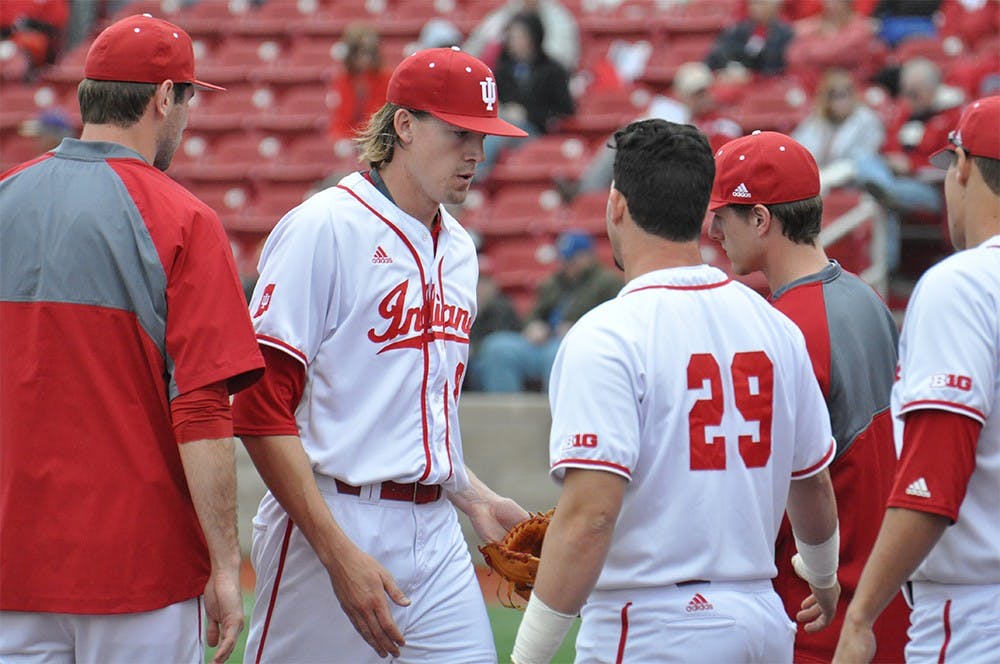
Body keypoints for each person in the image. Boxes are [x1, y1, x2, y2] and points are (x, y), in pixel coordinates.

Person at [231, 47, 531, 663]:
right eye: (460, 134)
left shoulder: (460, 251)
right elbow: (259, 409)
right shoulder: (323, 228)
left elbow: (413, 412)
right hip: (331, 516)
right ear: (404, 126)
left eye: (484, 136)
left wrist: (475, 499)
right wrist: (338, 553)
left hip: (437, 530)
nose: (477, 153)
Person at [511, 119, 841, 663]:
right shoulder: (774, 324)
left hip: (654, 625)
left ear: (616, 203)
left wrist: (529, 655)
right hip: (760, 617)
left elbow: (592, 517)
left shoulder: (606, 334)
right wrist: (823, 576)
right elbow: (813, 485)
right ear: (703, 213)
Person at [0, 14, 264, 664]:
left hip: (13, 562)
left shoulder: (5, 198)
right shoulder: (186, 220)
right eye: (187, 98)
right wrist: (227, 567)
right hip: (140, 571)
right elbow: (203, 412)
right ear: (164, 98)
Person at [707, 130, 909, 662]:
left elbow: (768, 499)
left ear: (760, 219)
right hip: (886, 598)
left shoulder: (782, 328)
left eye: (724, 216)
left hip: (819, 611)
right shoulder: (867, 298)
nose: (714, 231)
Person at [834, 95, 1000, 663]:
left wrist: (861, 614)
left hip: (978, 612)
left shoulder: (966, 284)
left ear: (964, 168)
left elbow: (934, 479)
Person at [566, 61, 742, 201]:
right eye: (695, 93)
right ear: (681, 94)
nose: (700, 98)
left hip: (688, 175)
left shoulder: (721, 121)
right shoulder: (674, 112)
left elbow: (720, 158)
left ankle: (584, 193)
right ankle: (585, 196)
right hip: (660, 169)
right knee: (622, 140)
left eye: (703, 92)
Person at [474, 231, 622, 392]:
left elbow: (614, 323)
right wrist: (533, 326)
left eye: (572, 260)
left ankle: (555, 416)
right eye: (564, 259)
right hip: (542, 342)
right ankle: (507, 414)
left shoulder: (608, 283)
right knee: (498, 347)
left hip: (575, 344)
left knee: (559, 355)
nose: (567, 265)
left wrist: (576, 330)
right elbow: (533, 314)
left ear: (587, 257)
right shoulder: (553, 282)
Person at [853, 56, 964, 270]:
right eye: (905, 92)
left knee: (879, 197)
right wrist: (894, 162)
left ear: (933, 89)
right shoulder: (905, 110)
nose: (908, 98)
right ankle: (882, 189)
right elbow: (889, 145)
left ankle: (886, 268)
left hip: (931, 189)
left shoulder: (954, 115)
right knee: (863, 160)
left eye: (914, 93)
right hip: (895, 179)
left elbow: (952, 163)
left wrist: (911, 166)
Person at [477, 11, 574, 182]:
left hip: (536, 132)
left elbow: (565, 110)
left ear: (533, 37)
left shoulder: (553, 70)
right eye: (512, 37)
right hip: (504, 123)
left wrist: (526, 114)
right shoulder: (503, 69)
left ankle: (475, 174)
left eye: (519, 36)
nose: (513, 42)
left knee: (499, 130)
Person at [792, 68, 886, 193]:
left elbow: (865, 157)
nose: (840, 102)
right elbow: (798, 151)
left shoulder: (866, 119)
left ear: (853, 95)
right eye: (834, 96)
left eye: (844, 95)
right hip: (821, 178)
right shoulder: (816, 121)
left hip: (855, 182)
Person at [463, 0, 579, 73]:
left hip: (545, 79)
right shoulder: (505, 14)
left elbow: (562, 59)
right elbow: (475, 47)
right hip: (505, 76)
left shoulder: (558, 18)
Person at [327, 23, 391, 143]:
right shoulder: (343, 80)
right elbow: (340, 121)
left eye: (370, 52)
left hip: (376, 140)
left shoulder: (387, 78)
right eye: (359, 52)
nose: (365, 57)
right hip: (349, 141)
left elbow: (383, 119)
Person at [705, 0, 795, 81]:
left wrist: (751, 76)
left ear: (775, 7)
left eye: (760, 3)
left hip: (764, 83)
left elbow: (777, 67)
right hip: (733, 78)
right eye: (752, 4)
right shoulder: (739, 29)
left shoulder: (785, 33)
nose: (754, 8)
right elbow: (719, 52)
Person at [465, 267, 522, 390]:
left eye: (485, 283)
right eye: (478, 283)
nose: (480, 289)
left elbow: (499, 338)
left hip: (491, 359)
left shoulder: (502, 307)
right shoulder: (467, 306)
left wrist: (473, 350)